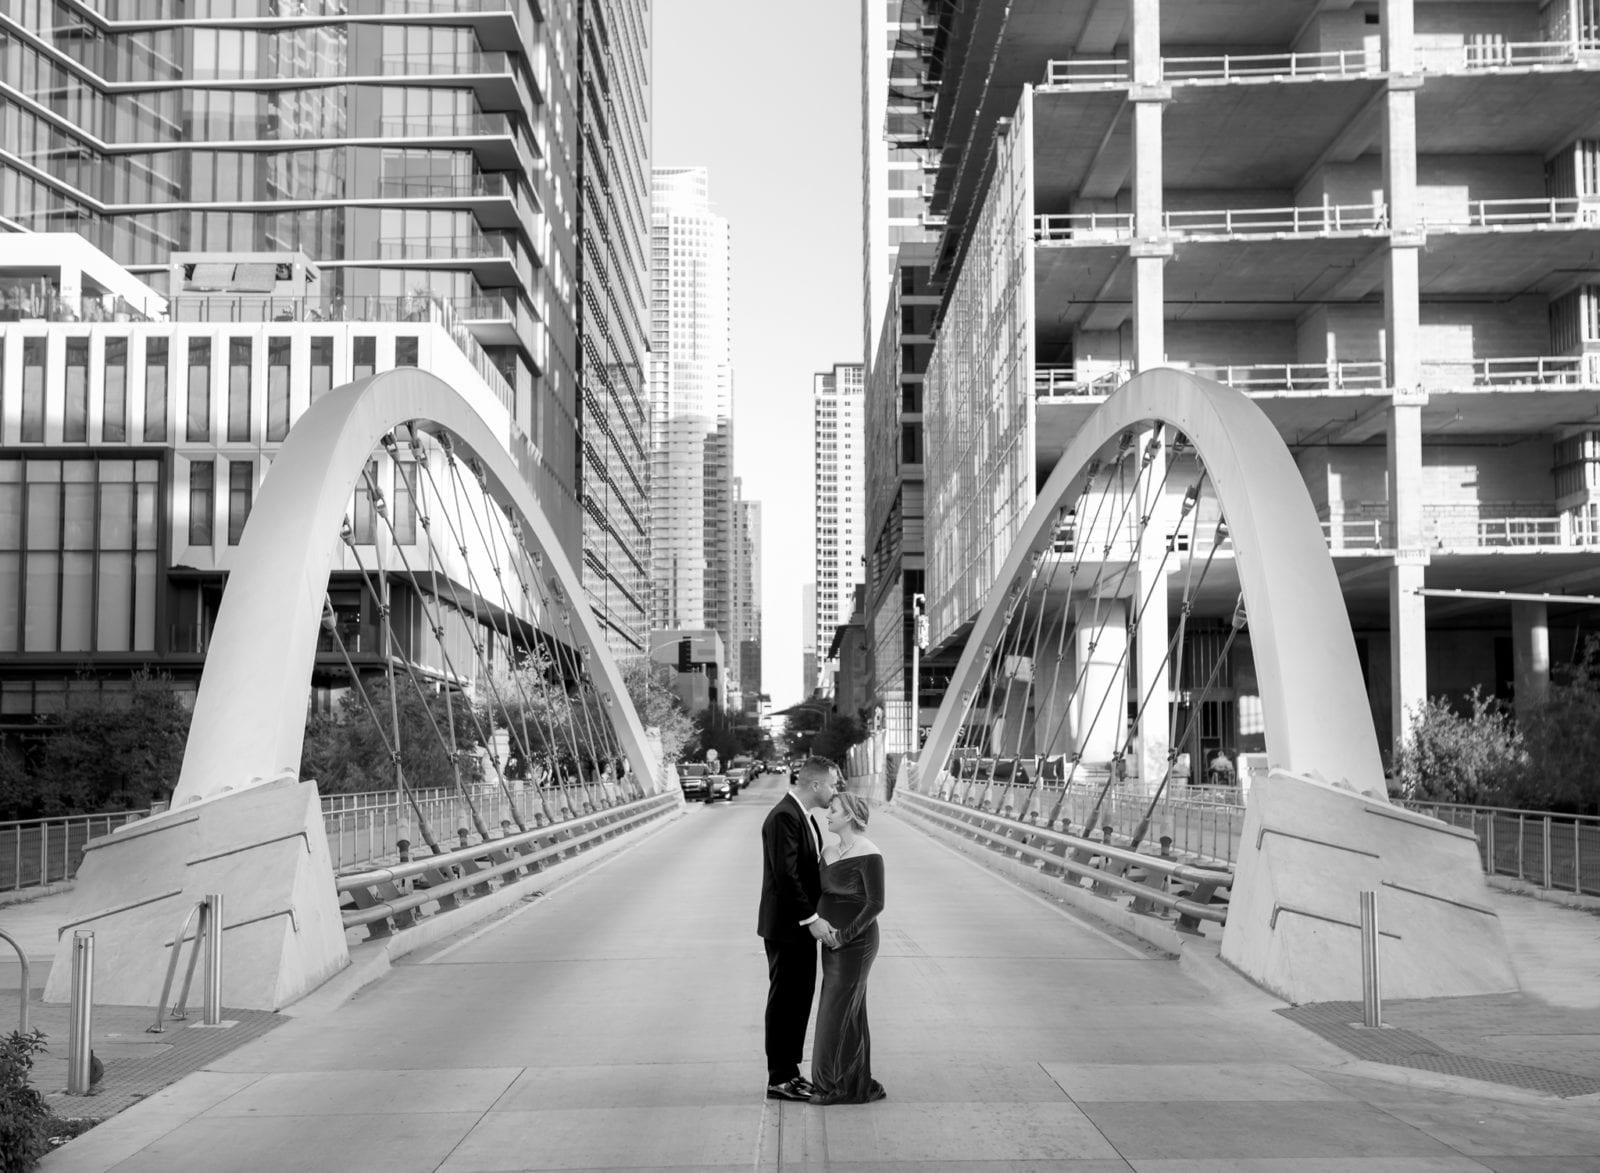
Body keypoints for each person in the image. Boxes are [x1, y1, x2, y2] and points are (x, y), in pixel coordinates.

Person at [758, 756, 840, 1101]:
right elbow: (786, 876)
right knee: (785, 1002)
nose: (836, 791)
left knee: (798, 1001)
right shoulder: (783, 817)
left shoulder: (803, 817)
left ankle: (791, 1072)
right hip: (788, 927)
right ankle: (779, 1078)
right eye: (834, 784)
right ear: (816, 784)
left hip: (796, 929)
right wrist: (812, 919)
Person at [809, 791, 887, 1105]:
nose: (827, 815)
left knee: (835, 1010)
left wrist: (844, 936)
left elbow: (875, 904)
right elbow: (818, 894)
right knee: (847, 1010)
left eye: (834, 811)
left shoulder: (870, 853)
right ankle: (853, 1081)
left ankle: (833, 1086)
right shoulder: (827, 852)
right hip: (829, 943)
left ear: (850, 816)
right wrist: (820, 926)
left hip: (858, 944)